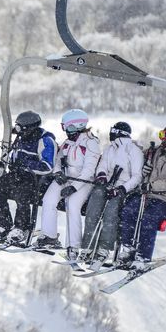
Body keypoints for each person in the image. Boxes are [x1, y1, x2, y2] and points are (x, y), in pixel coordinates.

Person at [118, 125, 166, 270]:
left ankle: (142, 257)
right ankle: (127, 248)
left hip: (165, 199)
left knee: (148, 218)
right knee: (128, 210)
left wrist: (153, 186)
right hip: (146, 194)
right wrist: (143, 166)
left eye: (163, 134)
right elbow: (138, 159)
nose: (161, 138)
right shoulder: (155, 151)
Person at [34, 109, 101, 259]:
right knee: (48, 200)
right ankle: (49, 236)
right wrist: (58, 173)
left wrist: (74, 187)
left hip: (83, 181)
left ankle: (73, 245)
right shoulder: (67, 143)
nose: (67, 132)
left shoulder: (91, 143)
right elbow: (58, 159)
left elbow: (89, 170)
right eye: (65, 128)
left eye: (69, 128)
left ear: (79, 126)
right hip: (65, 177)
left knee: (72, 205)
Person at [79, 121, 143, 269]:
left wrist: (122, 188)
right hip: (107, 184)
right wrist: (101, 175)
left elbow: (137, 176)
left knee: (110, 214)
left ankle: (104, 249)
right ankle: (89, 245)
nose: (111, 133)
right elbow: (102, 165)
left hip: (123, 188)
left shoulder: (133, 150)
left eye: (113, 130)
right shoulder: (110, 148)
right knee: (92, 210)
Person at [0, 110, 56, 245]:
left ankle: (21, 228)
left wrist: (26, 165)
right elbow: (13, 158)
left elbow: (47, 166)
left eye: (20, 127)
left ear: (29, 127)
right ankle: (4, 224)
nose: (18, 130)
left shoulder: (45, 140)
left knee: (21, 192)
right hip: (18, 174)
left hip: (35, 178)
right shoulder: (21, 138)